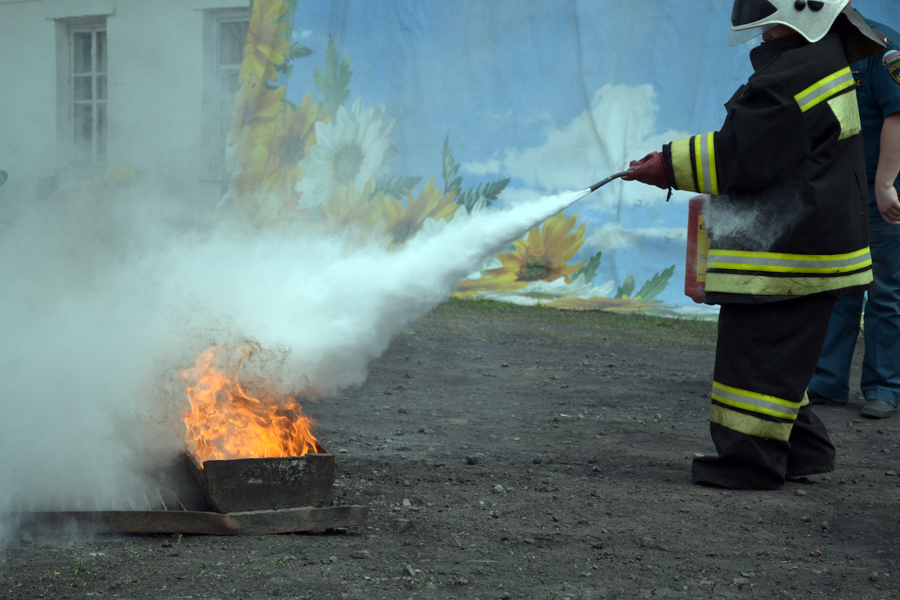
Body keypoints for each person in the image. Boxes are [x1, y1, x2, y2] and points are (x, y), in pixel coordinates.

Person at [623, 0, 885, 490]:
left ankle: (750, 465)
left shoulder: (796, 74)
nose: (762, 32)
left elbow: (740, 156)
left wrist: (668, 164)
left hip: (788, 255)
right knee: (778, 360)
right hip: (806, 244)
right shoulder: (820, 58)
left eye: (770, 22)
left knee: (756, 361)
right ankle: (801, 451)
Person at [807, 11, 900, 420]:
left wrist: (884, 184)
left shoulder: (881, 46)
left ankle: (884, 387)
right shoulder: (812, 43)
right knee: (840, 284)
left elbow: (897, 116)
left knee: (884, 291)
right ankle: (827, 381)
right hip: (840, 191)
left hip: (882, 192)